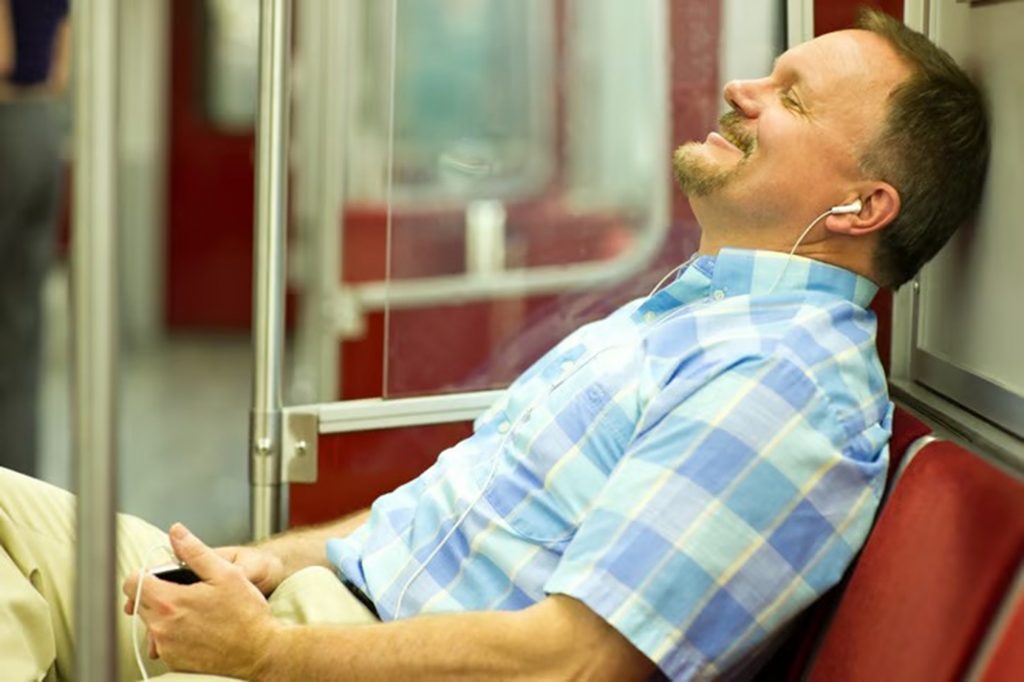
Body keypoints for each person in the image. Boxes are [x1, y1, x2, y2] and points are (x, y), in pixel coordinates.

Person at [0, 10, 988, 682]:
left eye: (792, 98)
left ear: (860, 206)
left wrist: (263, 653)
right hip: (316, 611)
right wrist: (265, 560)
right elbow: (449, 522)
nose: (740, 88)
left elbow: (575, 661)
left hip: (333, 655)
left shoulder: (782, 387)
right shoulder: (696, 316)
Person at [0, 0, 70, 476]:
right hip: (43, 128)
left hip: (5, 124)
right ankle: (19, 481)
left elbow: (2, 56)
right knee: (22, 329)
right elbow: (60, 72)